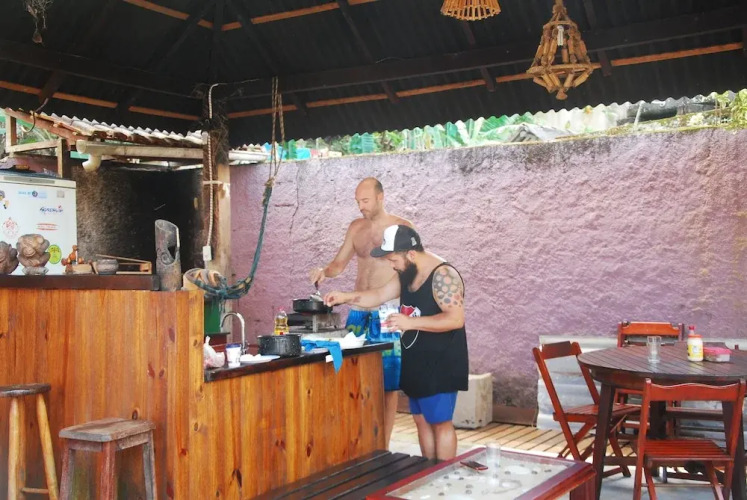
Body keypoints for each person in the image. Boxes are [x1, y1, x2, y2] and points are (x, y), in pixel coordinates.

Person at [324, 225, 468, 461]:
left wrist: (410, 323)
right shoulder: (407, 272)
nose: (392, 265)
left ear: (410, 254)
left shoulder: (443, 275)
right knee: (421, 421)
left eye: (393, 259)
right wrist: (346, 297)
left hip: (441, 362)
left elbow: (455, 319)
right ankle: (429, 472)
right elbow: (379, 295)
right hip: (416, 360)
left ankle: (444, 474)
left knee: (440, 422)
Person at [309, 178, 414, 449]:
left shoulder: (403, 228)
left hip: (387, 311)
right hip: (357, 311)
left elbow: (412, 271)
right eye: (357, 201)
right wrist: (324, 271)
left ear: (381, 197)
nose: (361, 207)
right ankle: (359, 442)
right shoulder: (356, 228)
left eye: (365, 201)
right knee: (351, 376)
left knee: (388, 383)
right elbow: (338, 264)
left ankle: (384, 445)